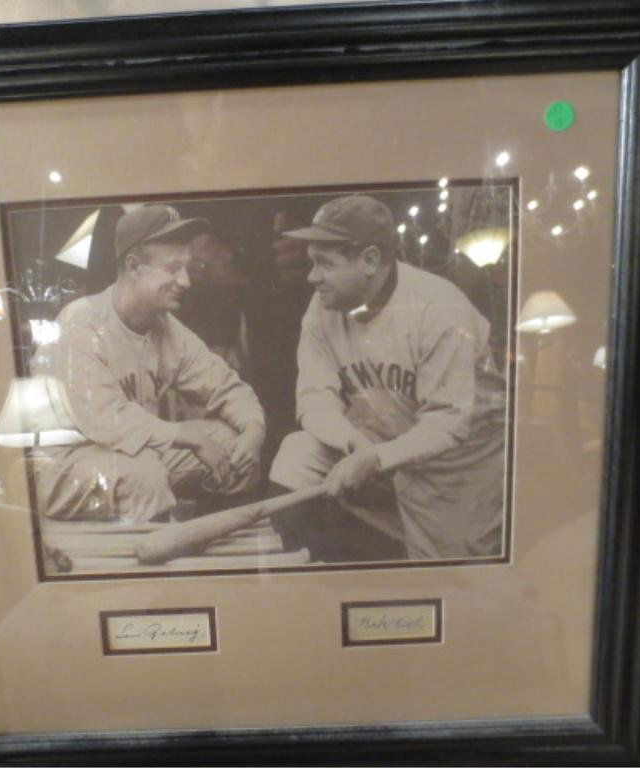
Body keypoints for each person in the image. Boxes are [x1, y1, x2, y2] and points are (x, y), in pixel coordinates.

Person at [269, 195, 507, 561]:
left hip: (458, 468)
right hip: (383, 441)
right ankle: (312, 577)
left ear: (370, 260)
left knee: (452, 582)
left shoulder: (439, 309)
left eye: (324, 263)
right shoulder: (322, 308)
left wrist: (376, 458)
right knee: (297, 454)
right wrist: (353, 444)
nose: (311, 276)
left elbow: (447, 425)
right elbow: (315, 398)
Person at [31, 204, 266, 524]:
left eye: (187, 267)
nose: (186, 281)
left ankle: (207, 543)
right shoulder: (80, 322)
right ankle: (157, 562)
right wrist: (190, 434)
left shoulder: (166, 327)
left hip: (130, 455)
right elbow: (107, 420)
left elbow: (223, 385)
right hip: (65, 467)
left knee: (229, 445)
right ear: (134, 267)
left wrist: (254, 429)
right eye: (173, 269)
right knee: (145, 473)